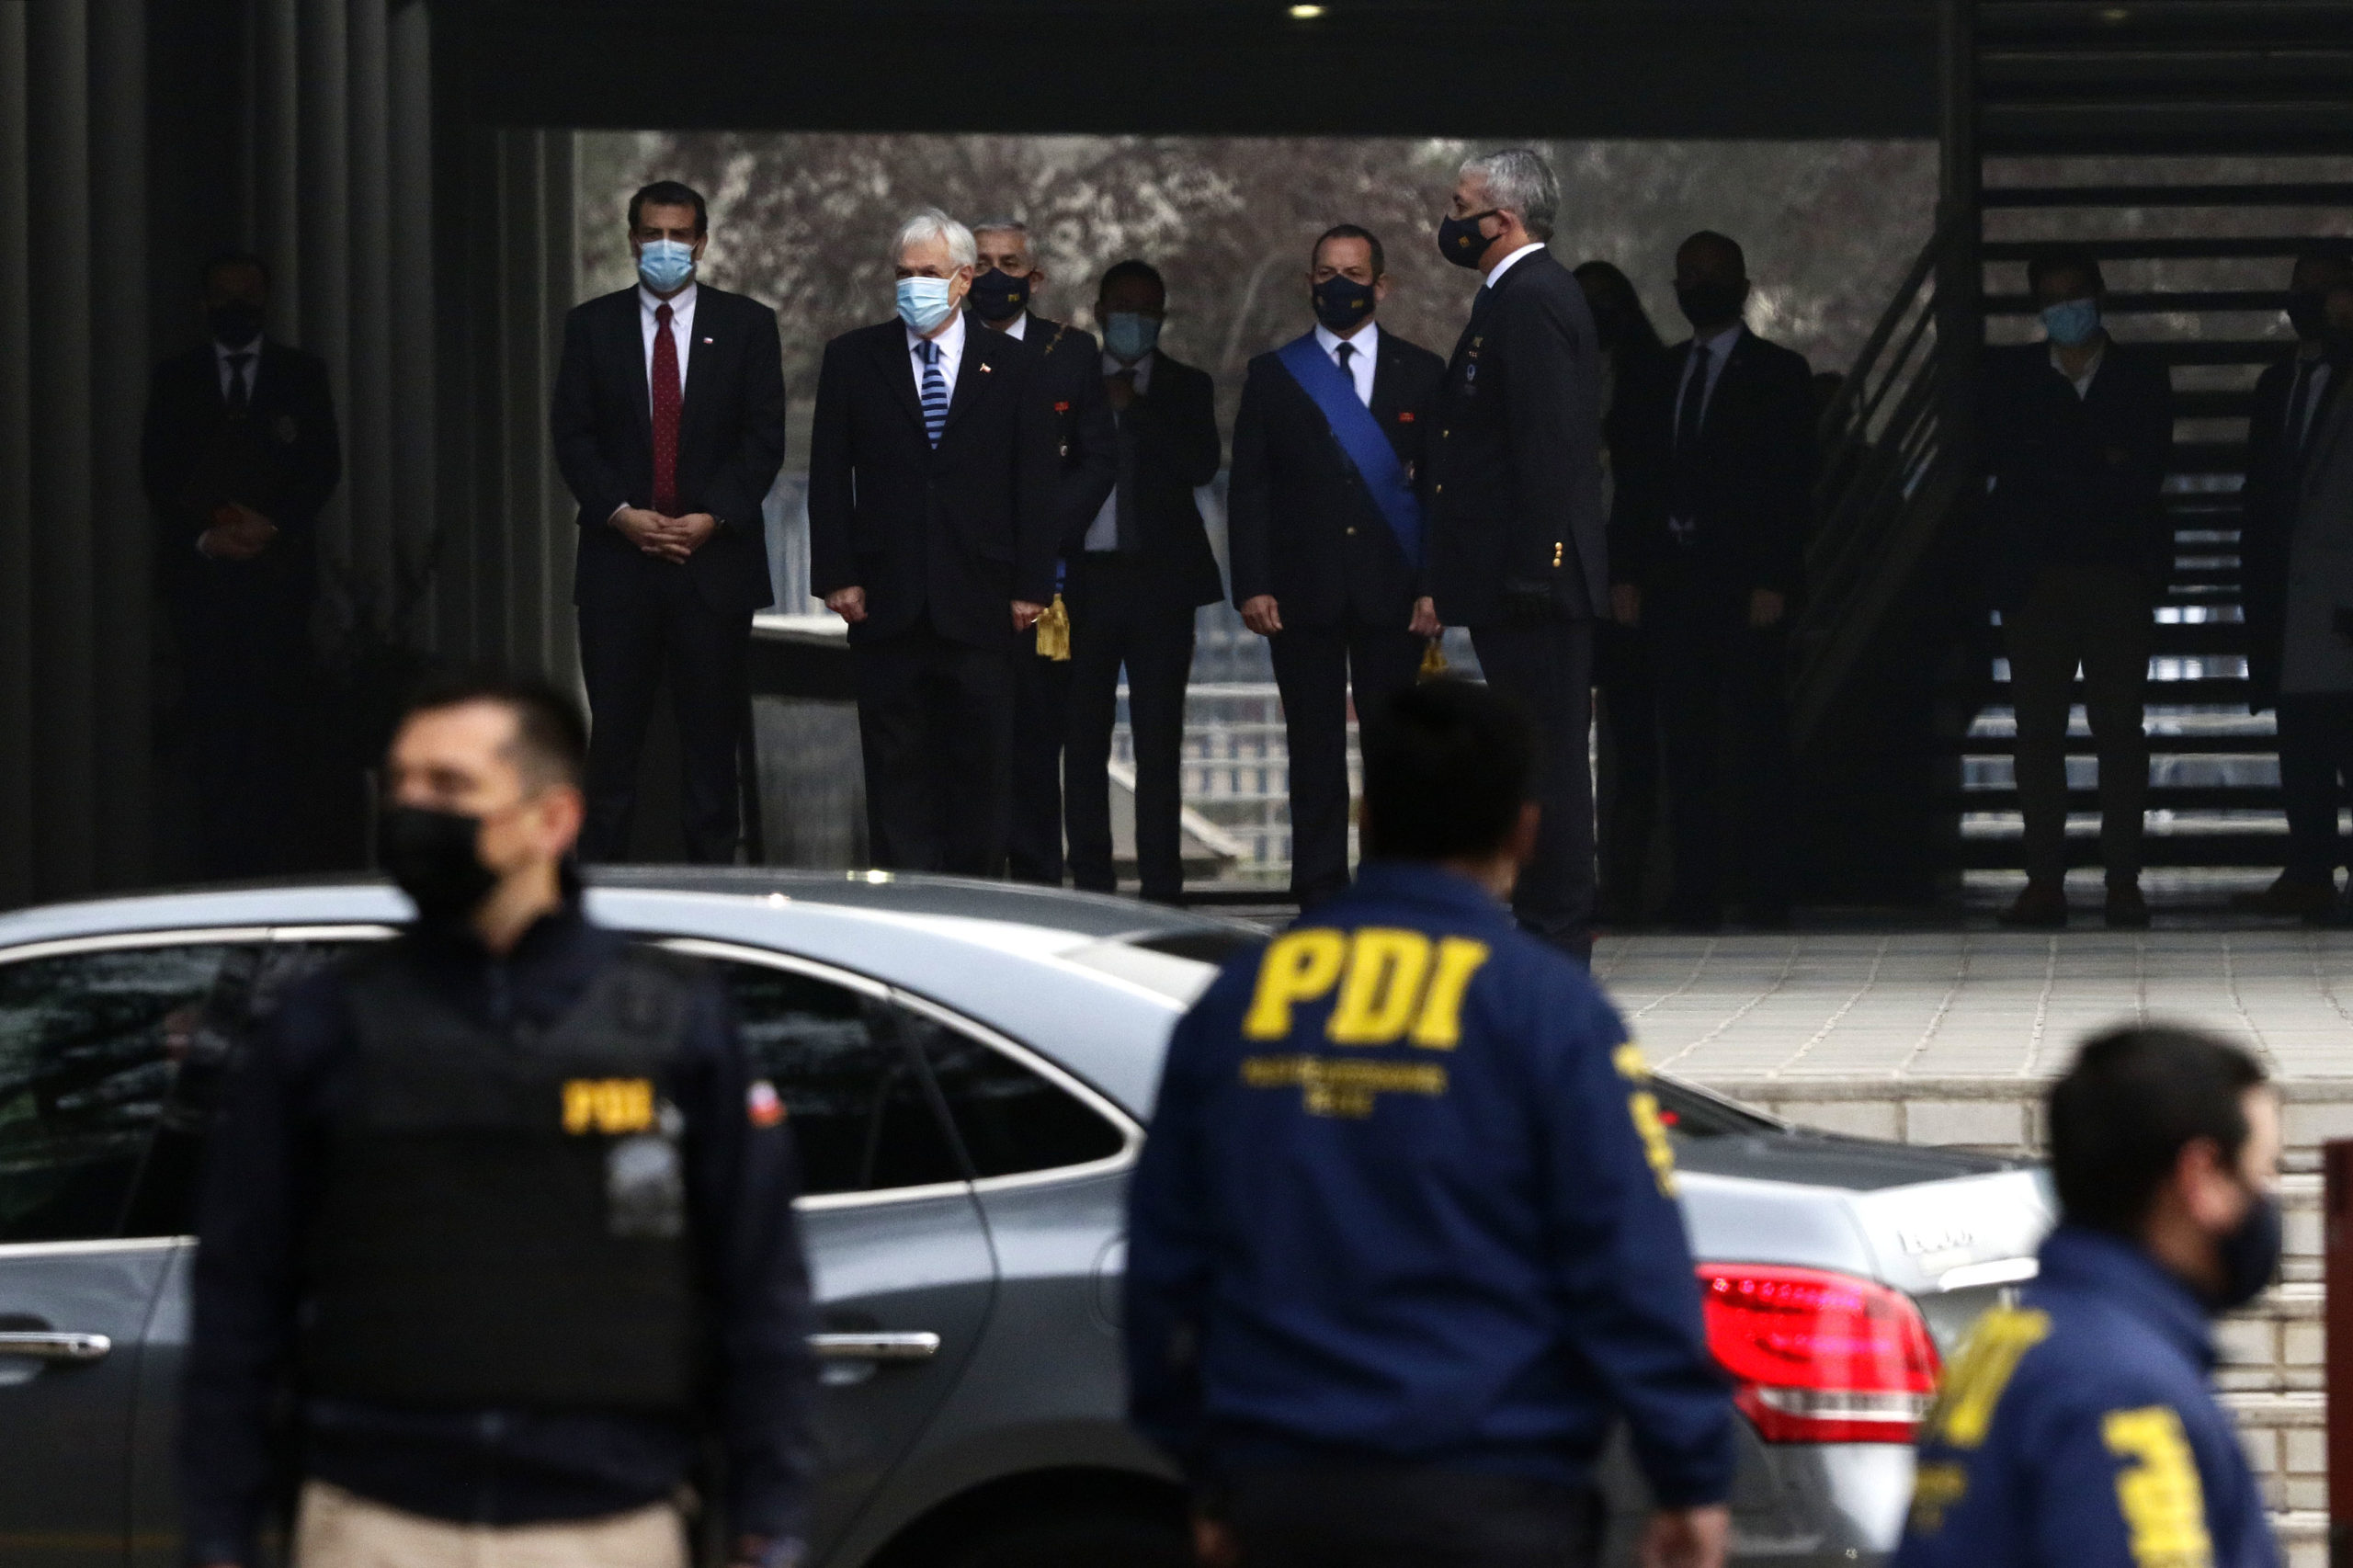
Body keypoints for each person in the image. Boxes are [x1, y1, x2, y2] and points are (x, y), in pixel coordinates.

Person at [181, 670, 815, 1568]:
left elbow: (761, 1292)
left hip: (607, 1525)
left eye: (449, 787)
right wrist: (219, 1531)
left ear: (552, 819)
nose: (414, 811)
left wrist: (768, 1524)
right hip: (376, 1523)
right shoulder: (324, 1024)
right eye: (402, 786)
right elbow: (239, 1297)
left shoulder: (674, 1022)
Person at [1126, 677, 1734, 1568]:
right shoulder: (1547, 1010)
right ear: (1524, 833)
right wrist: (1688, 1474)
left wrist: (1209, 1473)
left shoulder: (1240, 1002)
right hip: (1492, 1494)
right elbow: (1628, 1260)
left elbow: (1163, 1259)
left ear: (1365, 817)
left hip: (1285, 1493)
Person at [1894, 1024, 2281, 1568]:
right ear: (2201, 1178)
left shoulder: (2011, 1340)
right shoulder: (2122, 1390)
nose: (2268, 1201)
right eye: (2263, 1172)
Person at [808, 209, 1059, 875]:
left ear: (964, 279)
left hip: (983, 602)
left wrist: (1032, 587)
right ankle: (904, 904)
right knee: (897, 773)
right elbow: (829, 476)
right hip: (886, 602)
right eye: (903, 274)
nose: (913, 285)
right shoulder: (853, 358)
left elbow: (1036, 483)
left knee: (981, 772)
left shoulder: (1017, 365)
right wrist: (837, 574)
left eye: (928, 273)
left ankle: (972, 905)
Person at [552, 179, 787, 865]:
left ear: (701, 243)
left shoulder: (747, 326)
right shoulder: (591, 327)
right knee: (613, 750)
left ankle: (714, 896)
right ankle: (601, 893)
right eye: (651, 234)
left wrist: (713, 516)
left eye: (678, 235)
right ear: (632, 240)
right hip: (618, 568)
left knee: (712, 752)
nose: (664, 247)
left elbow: (762, 439)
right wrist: (622, 515)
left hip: (713, 569)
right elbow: (573, 436)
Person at [1425, 148, 1610, 961]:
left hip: (1535, 582)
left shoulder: (1533, 297)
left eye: (1459, 205)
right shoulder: (1509, 297)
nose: (1449, 220)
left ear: (1501, 219)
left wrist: (1542, 562)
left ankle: (1557, 933)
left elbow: (1550, 444)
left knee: (1552, 764)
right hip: (1513, 577)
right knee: (1531, 760)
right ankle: (1543, 924)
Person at [1228, 223, 1445, 906]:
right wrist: (1253, 584)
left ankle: (1391, 892)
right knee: (1313, 750)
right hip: (1301, 592)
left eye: (1354, 274)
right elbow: (1251, 488)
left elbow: (1442, 491)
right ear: (1309, 283)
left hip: (1394, 593)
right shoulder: (1274, 374)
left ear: (1381, 286)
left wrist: (1434, 587)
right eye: (1326, 274)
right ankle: (1319, 893)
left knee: (1394, 754)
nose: (1339, 286)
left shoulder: (1423, 372)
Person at [1610, 232, 1814, 931]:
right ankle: (1695, 890)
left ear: (1743, 285)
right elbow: (1637, 482)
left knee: (1756, 738)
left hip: (1744, 584)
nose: (1699, 286)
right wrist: (1627, 571)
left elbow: (1790, 486)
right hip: (1673, 584)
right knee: (1685, 743)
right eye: (1689, 275)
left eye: (1713, 274)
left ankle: (1765, 889)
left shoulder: (1780, 374)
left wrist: (1774, 577)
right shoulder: (1657, 375)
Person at [1980, 246, 2174, 930]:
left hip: (2117, 573)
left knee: (2118, 730)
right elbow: (2006, 460)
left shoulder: (2141, 375)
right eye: (2053, 297)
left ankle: (2122, 880)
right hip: (2038, 577)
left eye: (2075, 294)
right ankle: (2045, 881)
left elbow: (2142, 471)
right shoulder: (2011, 377)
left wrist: (2058, 459)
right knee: (2039, 733)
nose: (2066, 309)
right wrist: (2099, 457)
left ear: (2098, 295)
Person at [141, 250, 342, 879]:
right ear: (204, 303)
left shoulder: (300, 375)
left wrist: (271, 526)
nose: (236, 309)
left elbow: (321, 466)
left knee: (277, 737)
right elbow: (158, 470)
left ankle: (275, 867)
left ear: (266, 301)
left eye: (247, 297)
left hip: (278, 588)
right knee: (212, 739)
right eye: (223, 297)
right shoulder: (176, 378)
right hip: (201, 590)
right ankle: (216, 868)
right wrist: (209, 535)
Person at [1062, 259, 1223, 903]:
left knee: (1159, 741)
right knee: (1082, 740)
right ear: (1101, 313)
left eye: (1147, 310)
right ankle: (1091, 884)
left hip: (1161, 587)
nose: (1134, 321)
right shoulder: (1069, 382)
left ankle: (1162, 885)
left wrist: (1138, 410)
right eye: (1123, 308)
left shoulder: (1187, 386)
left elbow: (1201, 463)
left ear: (1162, 318)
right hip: (1084, 584)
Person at [968, 217, 1120, 887]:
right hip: (962, 575)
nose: (995, 276)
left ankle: (1036, 884)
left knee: (1036, 742)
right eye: (982, 263)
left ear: (1035, 278)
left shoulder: (1070, 351)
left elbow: (1097, 458)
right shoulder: (939, 346)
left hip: (1046, 584)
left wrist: (1038, 534)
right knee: (966, 741)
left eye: (1010, 263)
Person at [2235, 249, 2353, 921]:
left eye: (2328, 289)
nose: (2313, 302)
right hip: (2289, 588)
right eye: (2303, 289)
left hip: (2339, 585)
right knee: (2302, 736)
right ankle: (2309, 867)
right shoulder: (2278, 383)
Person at [1575, 258, 1671, 927]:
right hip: (1563, 574)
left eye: (1604, 300)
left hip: (1629, 579)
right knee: (1559, 742)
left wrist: (1629, 571)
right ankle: (1567, 883)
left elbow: (1652, 483)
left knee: (1635, 741)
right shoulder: (1551, 376)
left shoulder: (1651, 378)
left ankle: (1627, 884)